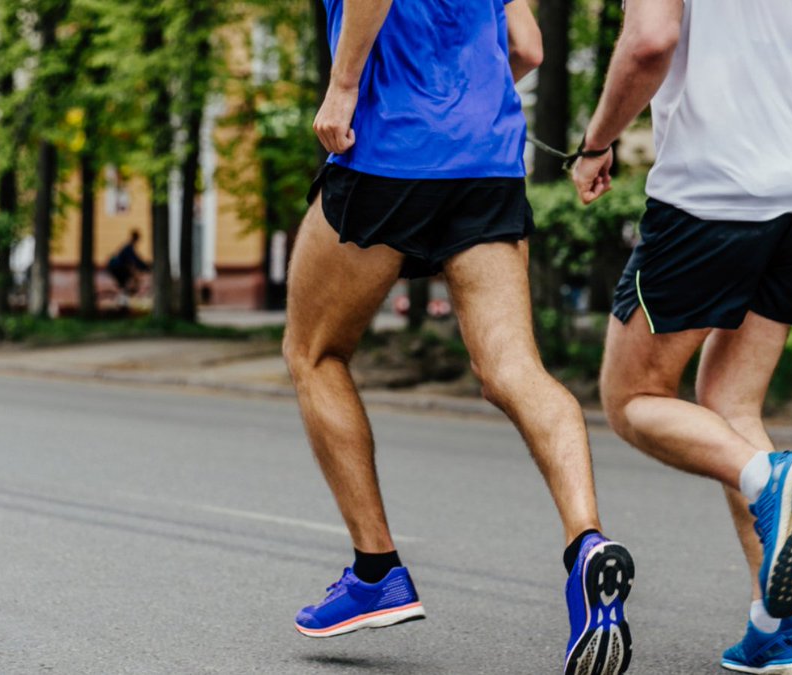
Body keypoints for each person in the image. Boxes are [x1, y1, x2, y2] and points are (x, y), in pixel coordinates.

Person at [283, 1, 635, 673]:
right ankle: (586, 543)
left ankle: (376, 569)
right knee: (515, 369)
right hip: (487, 158)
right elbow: (527, 47)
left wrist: (345, 84)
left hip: (389, 148)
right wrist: (464, 87)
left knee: (314, 352)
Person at [572, 1, 792, 673]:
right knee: (731, 407)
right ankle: (778, 628)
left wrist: (596, 143)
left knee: (631, 399)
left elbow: (650, 41)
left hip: (708, 200)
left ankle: (766, 478)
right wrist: (790, 127)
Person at [107, 230, 150, 298]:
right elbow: (135, 260)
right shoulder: (128, 248)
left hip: (117, 268)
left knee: (127, 282)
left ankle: (125, 295)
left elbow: (135, 261)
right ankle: (125, 296)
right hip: (118, 268)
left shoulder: (128, 247)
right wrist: (146, 267)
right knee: (128, 282)